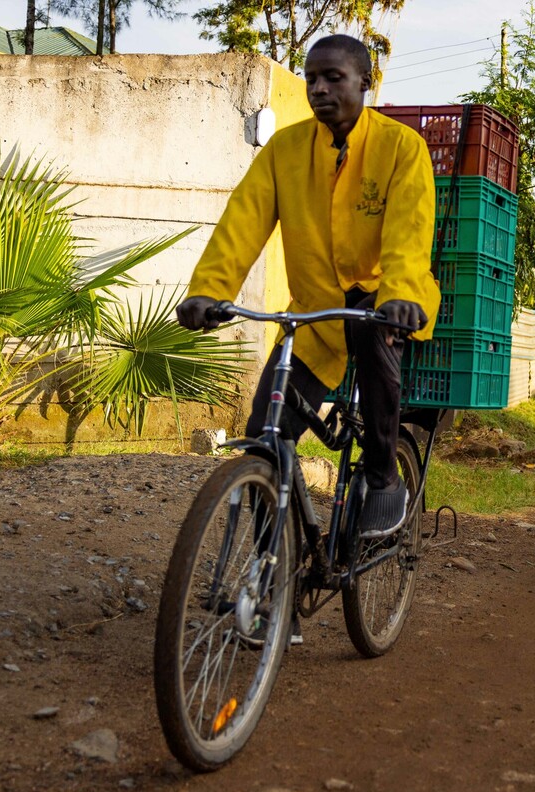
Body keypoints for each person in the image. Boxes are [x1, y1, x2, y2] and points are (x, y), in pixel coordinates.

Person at [176, 34, 440, 540]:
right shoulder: (284, 151)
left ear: (365, 83)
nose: (318, 88)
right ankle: (274, 568)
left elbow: (409, 232)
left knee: (374, 330)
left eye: (332, 78)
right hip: (314, 314)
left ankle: (383, 472)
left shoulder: (401, 148)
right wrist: (209, 290)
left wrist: (402, 292)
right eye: (312, 78)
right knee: (263, 438)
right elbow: (242, 222)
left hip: (385, 301)